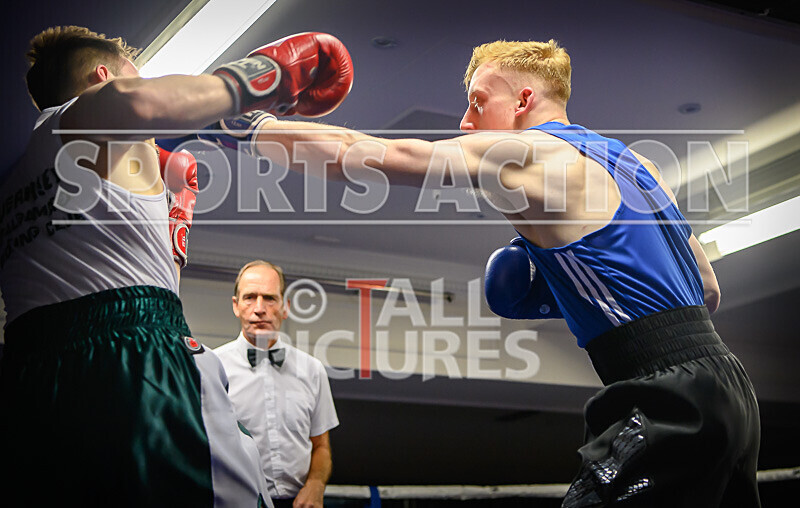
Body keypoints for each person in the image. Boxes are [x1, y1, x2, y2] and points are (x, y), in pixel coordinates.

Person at [199, 39, 761, 506]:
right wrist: (581, 287)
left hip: (666, 397)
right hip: (731, 389)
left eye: (476, 101)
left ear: (522, 99)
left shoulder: (529, 152)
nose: (466, 120)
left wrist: (250, 126)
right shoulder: (632, 162)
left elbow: (366, 153)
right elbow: (707, 289)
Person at [0, 26, 352, 507]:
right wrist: (272, 73)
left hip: (30, 381)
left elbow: (120, 274)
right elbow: (139, 103)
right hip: (136, 357)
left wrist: (172, 233)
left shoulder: (17, 180)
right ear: (104, 77)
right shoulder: (88, 111)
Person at [215, 261, 339, 508]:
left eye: (270, 298)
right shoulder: (212, 367)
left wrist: (316, 484)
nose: (259, 309)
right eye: (250, 297)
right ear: (235, 306)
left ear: (285, 307)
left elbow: (321, 446)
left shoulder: (312, 370)